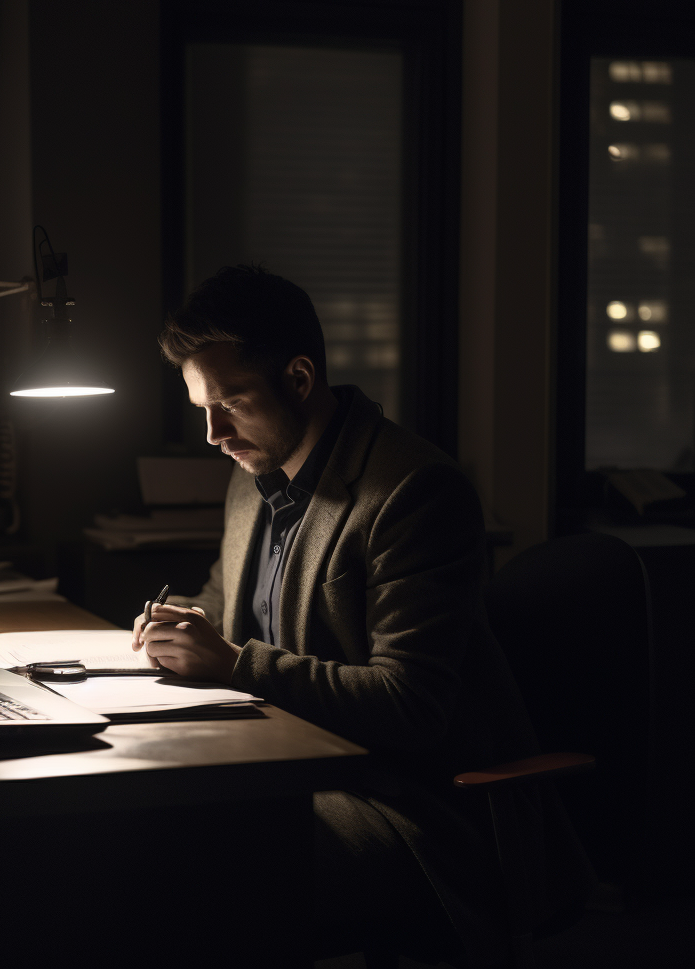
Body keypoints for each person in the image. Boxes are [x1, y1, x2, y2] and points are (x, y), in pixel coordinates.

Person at [132, 265, 591, 966]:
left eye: (230, 403)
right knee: (132, 833)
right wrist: (182, 623)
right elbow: (225, 606)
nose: (213, 433)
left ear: (300, 378)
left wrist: (232, 662)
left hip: (412, 806)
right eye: (201, 408)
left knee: (190, 862)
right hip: (291, 767)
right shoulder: (254, 475)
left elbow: (411, 706)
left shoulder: (414, 492)